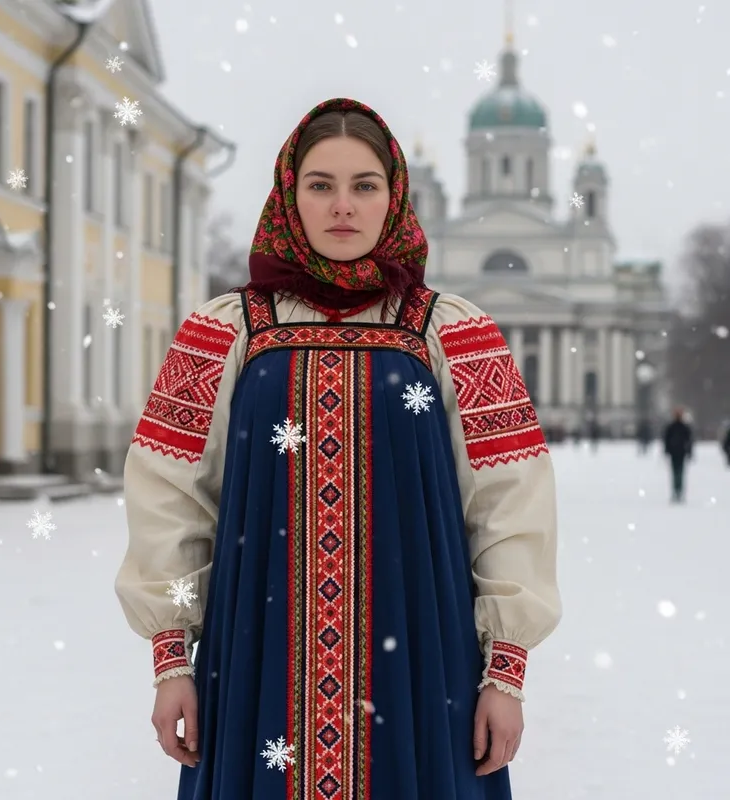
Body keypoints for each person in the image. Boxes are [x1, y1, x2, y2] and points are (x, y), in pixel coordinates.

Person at [114, 98, 562, 799]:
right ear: (290, 196)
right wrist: (172, 660)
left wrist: (505, 673)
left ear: (395, 196)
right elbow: (170, 495)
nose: (342, 206)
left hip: (419, 646)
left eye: (364, 185)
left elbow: (510, 502)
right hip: (260, 646)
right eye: (320, 185)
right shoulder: (226, 329)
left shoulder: (453, 331)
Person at [662, 407, 694, 502]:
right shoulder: (676, 427)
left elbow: (689, 440)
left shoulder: (676, 427)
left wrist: (689, 451)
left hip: (679, 452)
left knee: (678, 473)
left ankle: (678, 491)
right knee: (678, 473)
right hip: (677, 452)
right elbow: (666, 440)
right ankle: (677, 491)